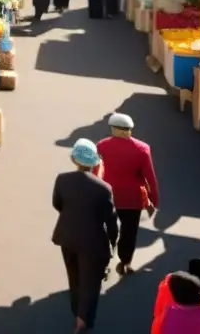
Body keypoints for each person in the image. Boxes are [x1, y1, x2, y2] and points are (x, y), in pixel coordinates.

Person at [52, 139, 118, 333]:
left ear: (74, 159)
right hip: (93, 242)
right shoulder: (103, 188)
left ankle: (77, 311)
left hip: (66, 236)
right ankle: (83, 319)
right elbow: (110, 219)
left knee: (74, 277)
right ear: (94, 162)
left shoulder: (62, 179)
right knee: (91, 281)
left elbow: (57, 204)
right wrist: (113, 241)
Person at [96, 112, 159, 276]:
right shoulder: (142, 149)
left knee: (106, 230)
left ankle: (103, 262)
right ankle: (125, 262)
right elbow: (150, 177)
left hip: (108, 194)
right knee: (130, 231)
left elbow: (96, 171)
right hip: (132, 198)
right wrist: (154, 200)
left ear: (115, 129)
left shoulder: (102, 146)